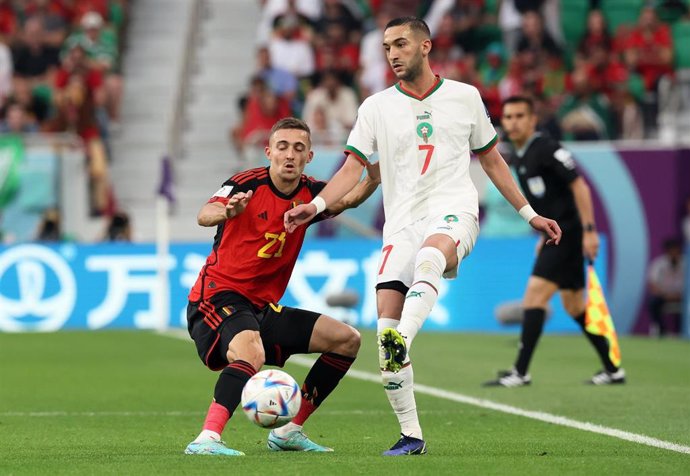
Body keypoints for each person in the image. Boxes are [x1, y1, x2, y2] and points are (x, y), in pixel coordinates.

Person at [284, 17, 561, 456]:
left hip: (454, 210)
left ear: (426, 46)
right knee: (383, 337)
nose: (392, 54)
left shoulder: (465, 97)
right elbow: (352, 170)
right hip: (400, 225)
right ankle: (411, 435)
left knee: (432, 258)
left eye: (401, 44)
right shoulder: (375, 107)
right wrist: (316, 206)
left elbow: (492, 162)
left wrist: (529, 213)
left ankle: (404, 338)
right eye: (386, 47)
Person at [184, 117, 380, 456]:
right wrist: (228, 211)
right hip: (217, 297)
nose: (290, 154)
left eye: (299, 148)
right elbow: (205, 213)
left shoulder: (311, 195)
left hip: (262, 309)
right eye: (283, 147)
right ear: (269, 151)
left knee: (346, 340)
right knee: (251, 352)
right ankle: (207, 438)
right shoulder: (247, 184)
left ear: (309, 157)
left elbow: (348, 199)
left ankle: (289, 431)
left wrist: (376, 176)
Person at [483, 95, 626, 388]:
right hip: (555, 237)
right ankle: (613, 369)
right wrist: (542, 233)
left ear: (533, 119)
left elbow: (579, 186)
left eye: (520, 116)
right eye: (508, 117)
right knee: (574, 306)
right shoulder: (521, 156)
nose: (513, 122)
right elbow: (550, 199)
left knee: (534, 297)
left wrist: (589, 230)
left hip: (570, 235)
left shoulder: (547, 148)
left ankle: (520, 371)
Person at [647, 238, 685, 337]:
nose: (674, 254)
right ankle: (662, 331)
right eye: (671, 251)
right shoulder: (659, 264)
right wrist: (665, 295)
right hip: (664, 296)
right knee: (653, 303)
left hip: (683, 297)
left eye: (676, 251)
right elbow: (652, 285)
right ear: (667, 251)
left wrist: (682, 295)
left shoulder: (686, 263)